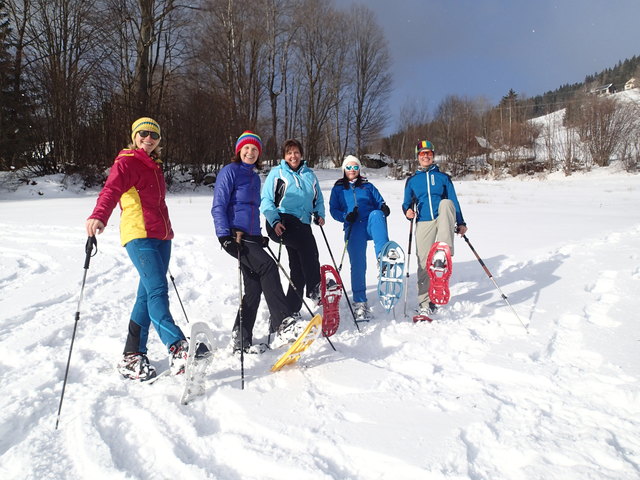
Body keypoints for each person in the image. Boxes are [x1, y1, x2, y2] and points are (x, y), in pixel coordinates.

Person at [86, 117, 189, 382]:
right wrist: (99, 215)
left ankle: (132, 355)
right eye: (143, 133)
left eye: (154, 135)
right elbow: (110, 190)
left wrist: (167, 231)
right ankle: (177, 346)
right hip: (139, 235)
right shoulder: (127, 161)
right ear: (134, 135)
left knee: (145, 296)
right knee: (157, 290)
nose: (149, 138)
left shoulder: (155, 165)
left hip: (160, 237)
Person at [212, 131, 304, 352]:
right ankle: (283, 323)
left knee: (253, 288)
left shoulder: (254, 177)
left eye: (255, 149)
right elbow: (219, 205)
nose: (250, 152)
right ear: (239, 150)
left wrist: (258, 234)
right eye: (246, 148)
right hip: (235, 236)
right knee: (268, 266)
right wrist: (223, 236)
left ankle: (240, 337)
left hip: (251, 237)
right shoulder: (229, 171)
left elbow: (252, 209)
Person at [260, 138, 325, 318]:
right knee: (307, 244)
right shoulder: (277, 173)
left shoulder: (309, 175)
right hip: (281, 221)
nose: (293, 156)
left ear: (301, 154)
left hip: (302, 224)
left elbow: (318, 199)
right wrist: (274, 220)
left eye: (296, 152)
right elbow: (266, 200)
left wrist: (319, 214)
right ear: (284, 156)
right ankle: (315, 287)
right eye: (289, 153)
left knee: (298, 269)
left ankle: (291, 310)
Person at [402, 140, 468, 316]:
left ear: (433, 155)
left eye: (428, 153)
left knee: (446, 203)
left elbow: (454, 201)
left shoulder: (443, 178)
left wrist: (460, 222)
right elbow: (406, 202)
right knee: (423, 263)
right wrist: (407, 210)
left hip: (443, 219)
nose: (426, 156)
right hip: (424, 221)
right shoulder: (412, 180)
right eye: (422, 153)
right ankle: (425, 302)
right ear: (418, 157)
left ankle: (443, 252)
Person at [329, 155, 391, 320]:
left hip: (370, 223)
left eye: (355, 167)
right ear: (344, 169)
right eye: (348, 167)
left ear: (359, 169)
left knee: (377, 214)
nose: (352, 170)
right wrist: (345, 216)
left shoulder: (367, 186)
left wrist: (383, 207)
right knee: (358, 265)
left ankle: (383, 258)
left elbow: (379, 201)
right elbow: (333, 209)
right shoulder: (338, 188)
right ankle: (360, 303)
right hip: (354, 226)